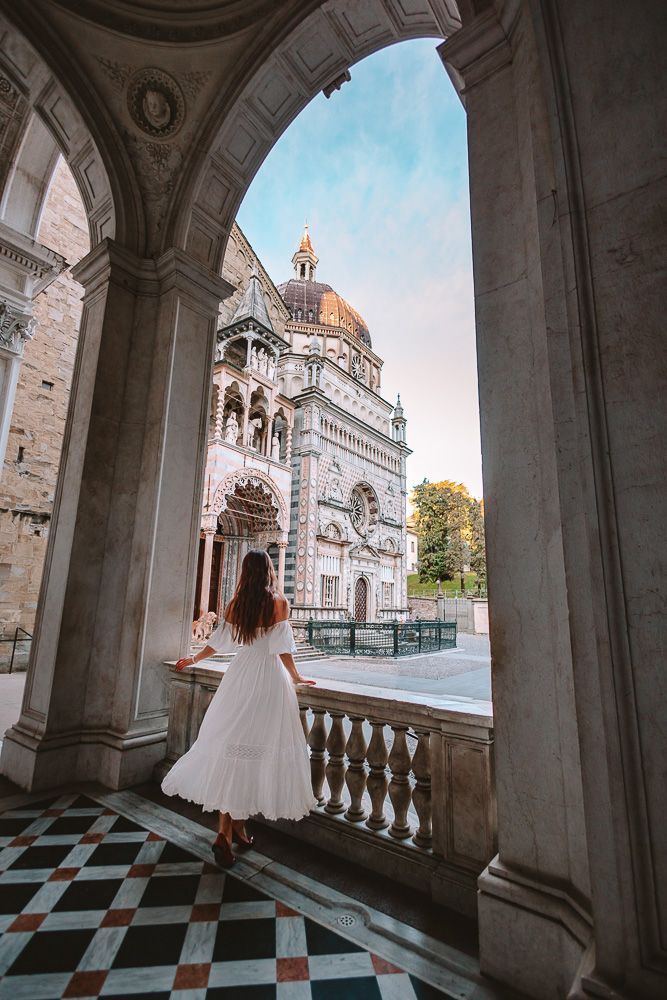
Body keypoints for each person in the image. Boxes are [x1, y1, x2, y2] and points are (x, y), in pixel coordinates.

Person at [161, 549, 316, 866]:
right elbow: (282, 650)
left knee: (231, 752)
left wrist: (193, 658)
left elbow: (219, 643)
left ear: (245, 572)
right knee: (256, 754)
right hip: (269, 679)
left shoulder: (235, 604)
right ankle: (237, 830)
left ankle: (227, 832)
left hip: (241, 675)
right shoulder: (279, 603)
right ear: (269, 570)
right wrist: (297, 677)